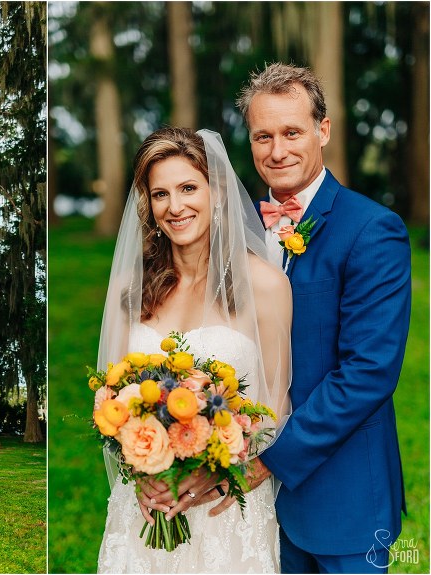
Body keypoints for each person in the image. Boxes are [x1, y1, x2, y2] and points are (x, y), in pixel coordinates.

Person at [235, 62, 411, 574]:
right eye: (262, 136)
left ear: (323, 130)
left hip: (344, 498)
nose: (277, 150)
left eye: (292, 132)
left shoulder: (372, 230)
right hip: (247, 505)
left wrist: (270, 460)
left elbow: (368, 372)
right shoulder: (233, 230)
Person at [96, 127, 292, 573]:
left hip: (226, 506)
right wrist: (144, 473)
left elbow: (277, 405)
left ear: (217, 192)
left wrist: (218, 469)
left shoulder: (266, 286)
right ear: (148, 204)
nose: (176, 206)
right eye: (160, 193)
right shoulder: (132, 290)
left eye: (188, 188)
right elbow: (112, 401)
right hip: (147, 503)